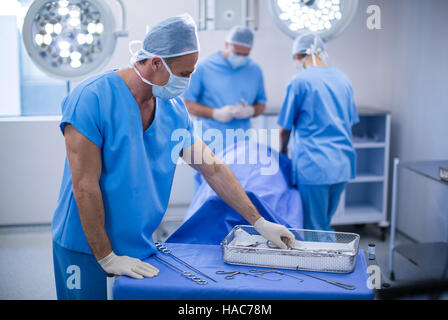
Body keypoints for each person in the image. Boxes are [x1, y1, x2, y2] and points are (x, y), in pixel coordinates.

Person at [51, 14, 294, 300]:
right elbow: (84, 186)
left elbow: (213, 169)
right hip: (84, 243)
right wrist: (105, 256)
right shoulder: (91, 99)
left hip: (137, 242)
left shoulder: (173, 110)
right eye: (185, 73)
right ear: (156, 63)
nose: (189, 81)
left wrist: (259, 222)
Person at [278, 32, 360, 232]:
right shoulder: (344, 79)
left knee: (314, 230)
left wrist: (283, 154)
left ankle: (326, 263)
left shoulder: (299, 82)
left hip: (314, 167)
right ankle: (333, 259)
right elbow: (350, 121)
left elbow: (284, 129)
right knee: (324, 224)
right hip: (342, 165)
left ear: (299, 56)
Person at [183, 25, 267, 155]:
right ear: (227, 44)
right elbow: (187, 104)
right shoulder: (203, 67)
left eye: (246, 54)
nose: (241, 57)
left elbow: (261, 104)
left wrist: (250, 110)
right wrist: (215, 113)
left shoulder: (255, 70)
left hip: (242, 147)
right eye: (237, 53)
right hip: (209, 144)